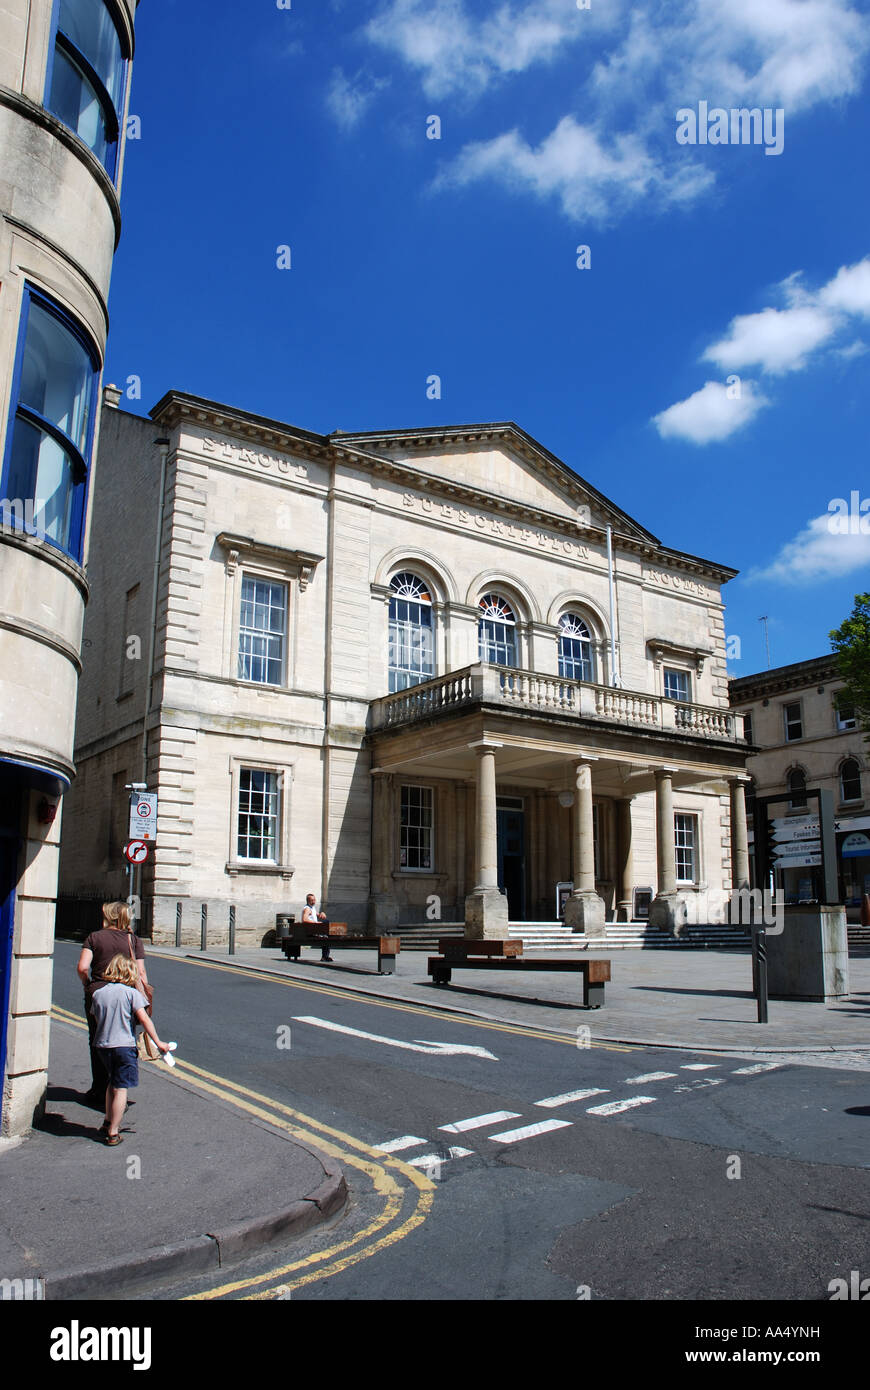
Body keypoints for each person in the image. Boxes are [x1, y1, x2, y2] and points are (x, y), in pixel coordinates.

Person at [89, 954, 170, 1145]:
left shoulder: (98, 994)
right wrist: (158, 1043)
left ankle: (107, 1120)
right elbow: (144, 1019)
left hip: (102, 1045)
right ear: (129, 972)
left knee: (112, 1082)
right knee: (121, 1087)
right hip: (124, 1045)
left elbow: (96, 1018)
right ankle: (113, 1132)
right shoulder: (131, 994)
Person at [77, 902, 152, 1106]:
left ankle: (99, 1089)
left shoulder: (94, 937)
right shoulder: (133, 940)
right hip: (126, 996)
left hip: (98, 994)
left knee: (97, 1038)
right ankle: (119, 1090)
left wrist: (89, 986)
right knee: (123, 1039)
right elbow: (141, 973)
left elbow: (83, 967)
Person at [301, 892, 333, 961]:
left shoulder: (312, 908)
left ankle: (325, 956)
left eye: (314, 900)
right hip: (311, 931)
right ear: (308, 901)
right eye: (312, 900)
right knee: (326, 936)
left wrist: (322, 913)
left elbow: (319, 915)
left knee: (326, 924)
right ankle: (325, 956)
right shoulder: (307, 909)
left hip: (314, 929)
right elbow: (304, 919)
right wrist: (316, 923)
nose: (313, 902)